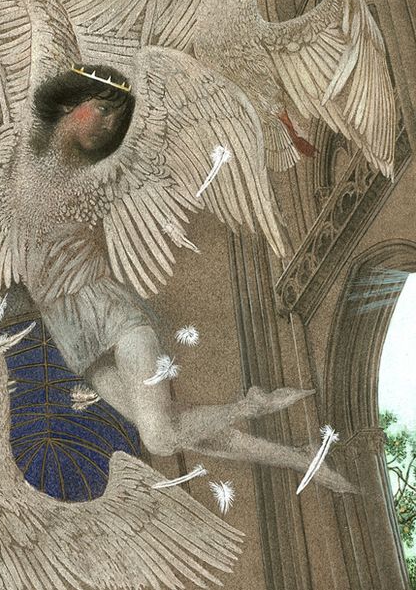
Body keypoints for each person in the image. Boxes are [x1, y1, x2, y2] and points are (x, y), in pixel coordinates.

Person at [25, 63, 353, 491]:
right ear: (71, 103)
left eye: (116, 117)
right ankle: (295, 457)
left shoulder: (101, 173)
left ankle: (251, 406)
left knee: (160, 435)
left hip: (110, 314)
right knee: (170, 431)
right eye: (102, 109)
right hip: (71, 333)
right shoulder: (24, 164)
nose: (109, 124)